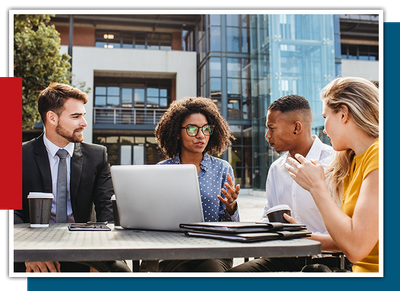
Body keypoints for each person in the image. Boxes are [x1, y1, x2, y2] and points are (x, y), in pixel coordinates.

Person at [15, 82, 131, 273]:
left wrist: (100, 256)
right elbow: (10, 211)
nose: (84, 123)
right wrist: (28, 252)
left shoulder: (97, 155)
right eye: (76, 116)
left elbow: (107, 209)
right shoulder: (17, 155)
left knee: (121, 273)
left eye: (83, 116)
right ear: (52, 118)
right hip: (32, 243)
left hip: (84, 245)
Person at [228, 94, 350, 272]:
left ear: (296, 127)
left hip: (329, 261)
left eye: (272, 128)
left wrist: (303, 238)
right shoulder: (276, 169)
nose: (266, 135)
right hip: (282, 258)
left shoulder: (336, 163)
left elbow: (350, 234)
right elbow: (267, 216)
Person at [285, 77, 379, 273]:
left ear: (343, 113)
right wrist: (303, 236)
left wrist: (316, 187)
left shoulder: (380, 156)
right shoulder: (353, 161)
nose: (324, 128)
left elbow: (356, 249)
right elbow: (354, 238)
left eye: (326, 117)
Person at [152, 96, 240, 272]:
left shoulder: (222, 169)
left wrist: (231, 207)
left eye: (206, 129)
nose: (201, 135)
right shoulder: (162, 170)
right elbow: (153, 218)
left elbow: (232, 226)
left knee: (211, 272)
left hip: (214, 250)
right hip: (174, 250)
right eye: (192, 129)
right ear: (177, 132)